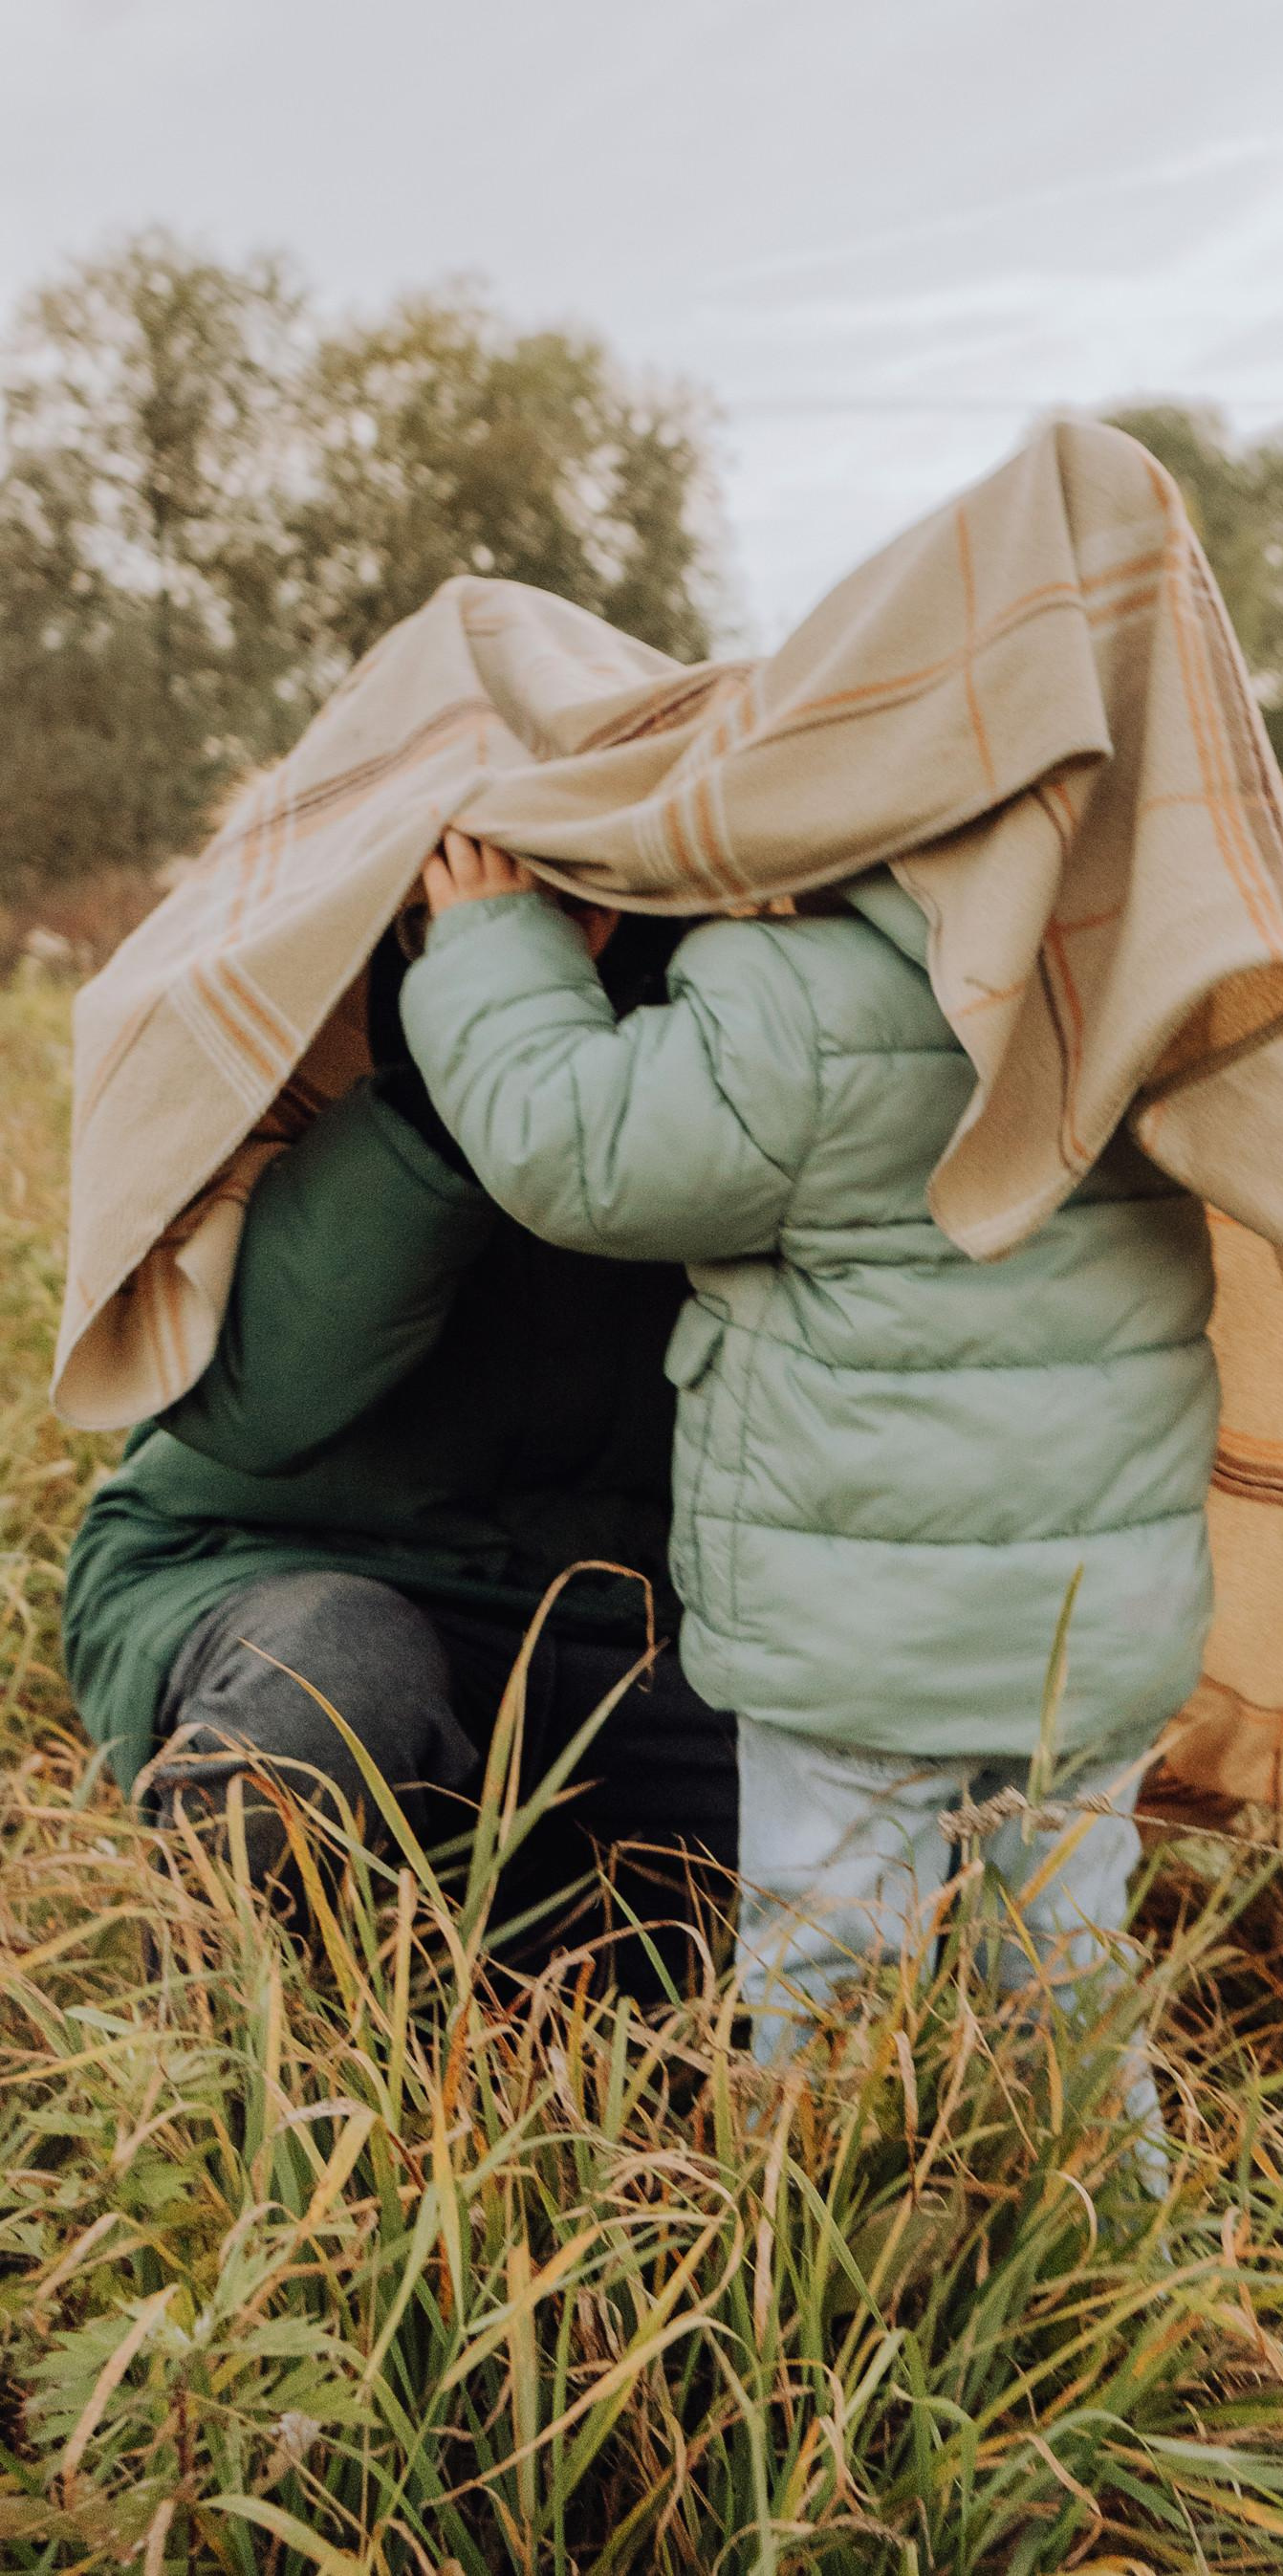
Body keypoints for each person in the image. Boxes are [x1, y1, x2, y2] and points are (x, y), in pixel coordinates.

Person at [397, 829, 1219, 2103]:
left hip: (862, 1650)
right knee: (1066, 1973)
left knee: (830, 1970)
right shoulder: (1129, 977)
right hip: (1098, 1627)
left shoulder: (796, 1000)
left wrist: (501, 938)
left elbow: (578, 1146)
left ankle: (826, 2259)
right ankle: (1101, 2247)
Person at [62, 906, 739, 1981]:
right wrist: (480, 1031)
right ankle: (236, 2075)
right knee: (337, 1686)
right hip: (276, 1565)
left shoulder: (763, 1008)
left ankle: (496, 1976)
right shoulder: (347, 974)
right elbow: (261, 1399)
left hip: (635, 1638)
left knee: (885, 1844)